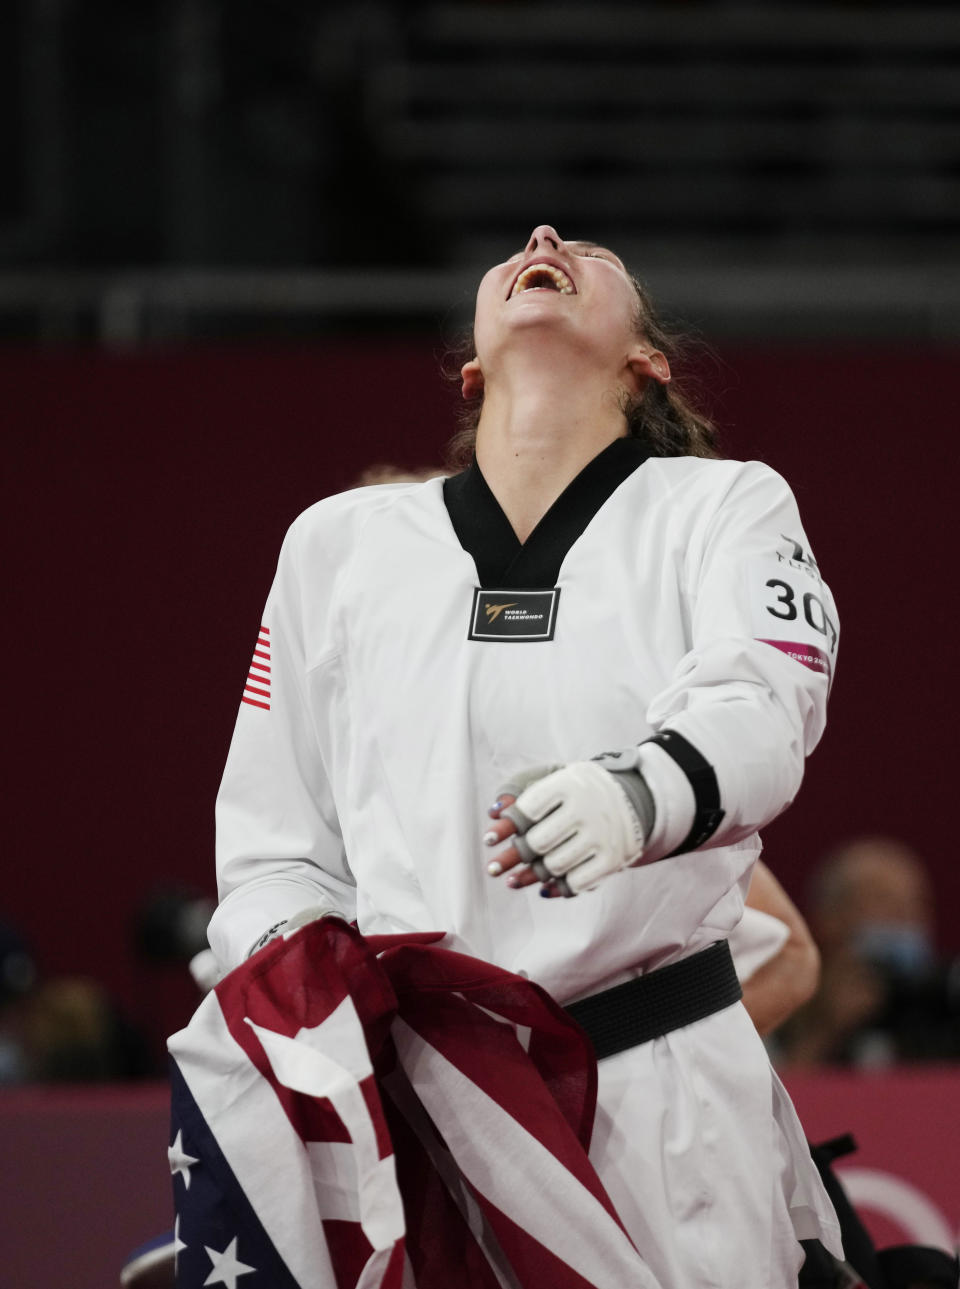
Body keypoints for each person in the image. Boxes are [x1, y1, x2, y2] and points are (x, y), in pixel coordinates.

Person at [208, 224, 843, 1286]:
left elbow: (766, 705)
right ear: (470, 366)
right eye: (526, 245)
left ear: (647, 362)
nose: (544, 239)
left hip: (661, 1091)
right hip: (418, 1099)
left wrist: (641, 793)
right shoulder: (337, 543)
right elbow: (274, 844)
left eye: (589, 252)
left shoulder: (722, 505)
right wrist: (304, 1010)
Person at [778, 836, 960, 1067]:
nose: (905, 916)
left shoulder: (941, 1002)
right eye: (883, 900)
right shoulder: (782, 1001)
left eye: (917, 902)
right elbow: (763, 1099)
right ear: (829, 919)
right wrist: (825, 1033)